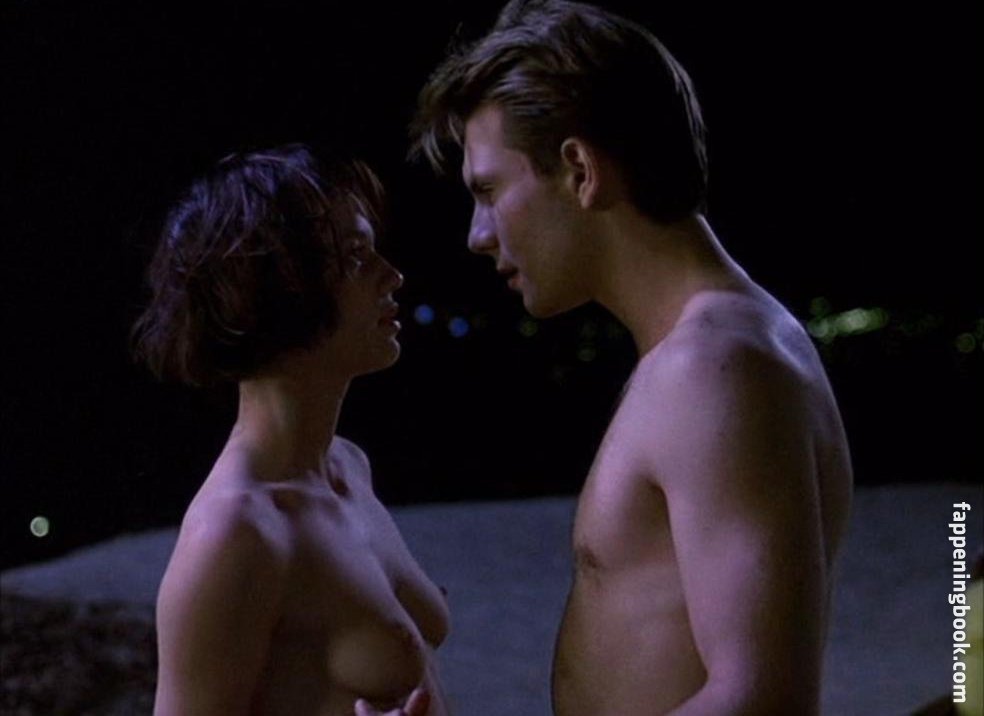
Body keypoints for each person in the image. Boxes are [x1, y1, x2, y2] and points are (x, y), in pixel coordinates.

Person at [406, 1, 854, 713]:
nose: (477, 235)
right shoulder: (708, 350)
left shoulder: (713, 369)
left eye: (488, 191)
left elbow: (763, 699)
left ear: (579, 170)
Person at [132, 144, 449, 716]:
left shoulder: (347, 466)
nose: (392, 275)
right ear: (277, 289)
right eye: (356, 256)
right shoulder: (236, 534)